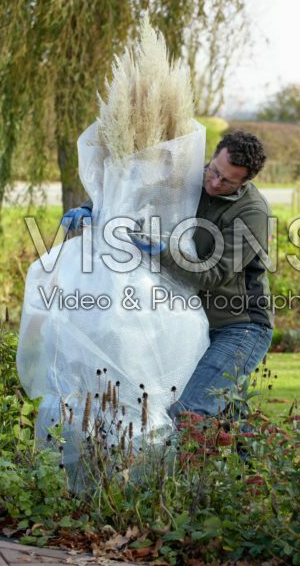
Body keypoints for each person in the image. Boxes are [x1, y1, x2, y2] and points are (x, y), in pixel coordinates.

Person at [63, 130, 273, 420]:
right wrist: (88, 208)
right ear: (212, 157)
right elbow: (132, 193)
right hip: (196, 323)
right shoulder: (185, 180)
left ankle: (183, 464)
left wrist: (163, 252)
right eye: (213, 171)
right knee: (230, 424)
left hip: (240, 326)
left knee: (190, 413)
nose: (214, 182)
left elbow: (214, 274)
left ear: (245, 182)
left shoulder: (252, 213)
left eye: (227, 182)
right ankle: (251, 465)